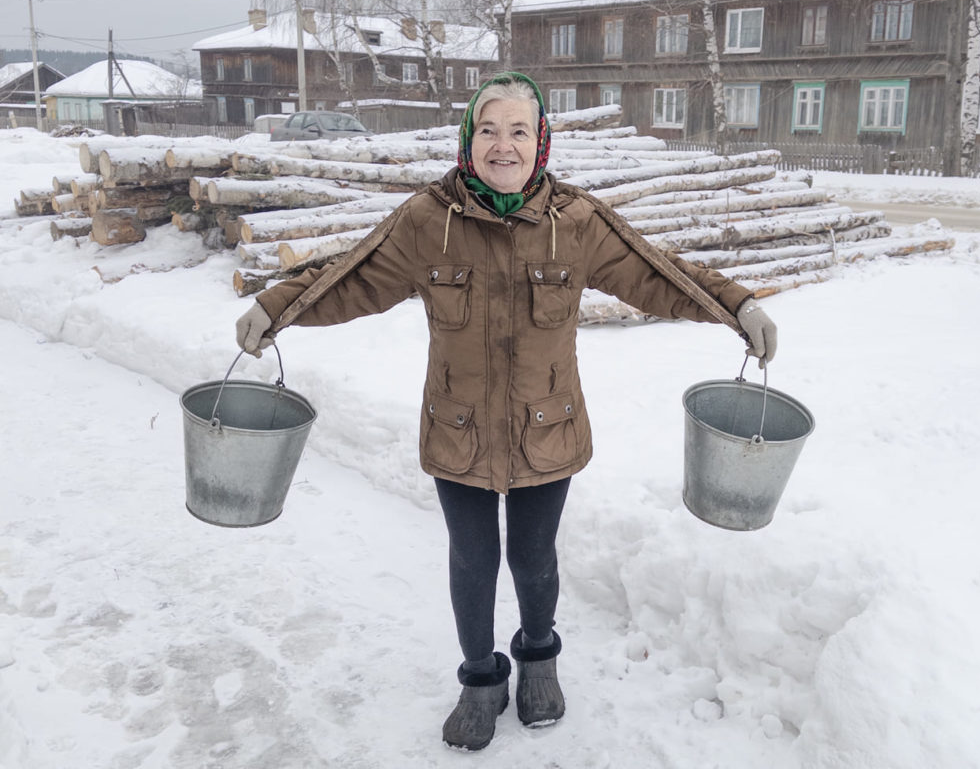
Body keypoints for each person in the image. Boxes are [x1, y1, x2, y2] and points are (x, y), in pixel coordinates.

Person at [235, 72, 777, 751]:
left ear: (540, 140)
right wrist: (274, 308)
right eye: (489, 129)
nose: (503, 145)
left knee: (532, 555)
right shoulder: (429, 220)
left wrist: (738, 306)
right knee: (472, 557)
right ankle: (480, 678)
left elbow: (656, 272)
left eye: (519, 130)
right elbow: (354, 276)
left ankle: (539, 657)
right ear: (469, 139)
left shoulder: (575, 222)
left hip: (545, 427)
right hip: (457, 428)